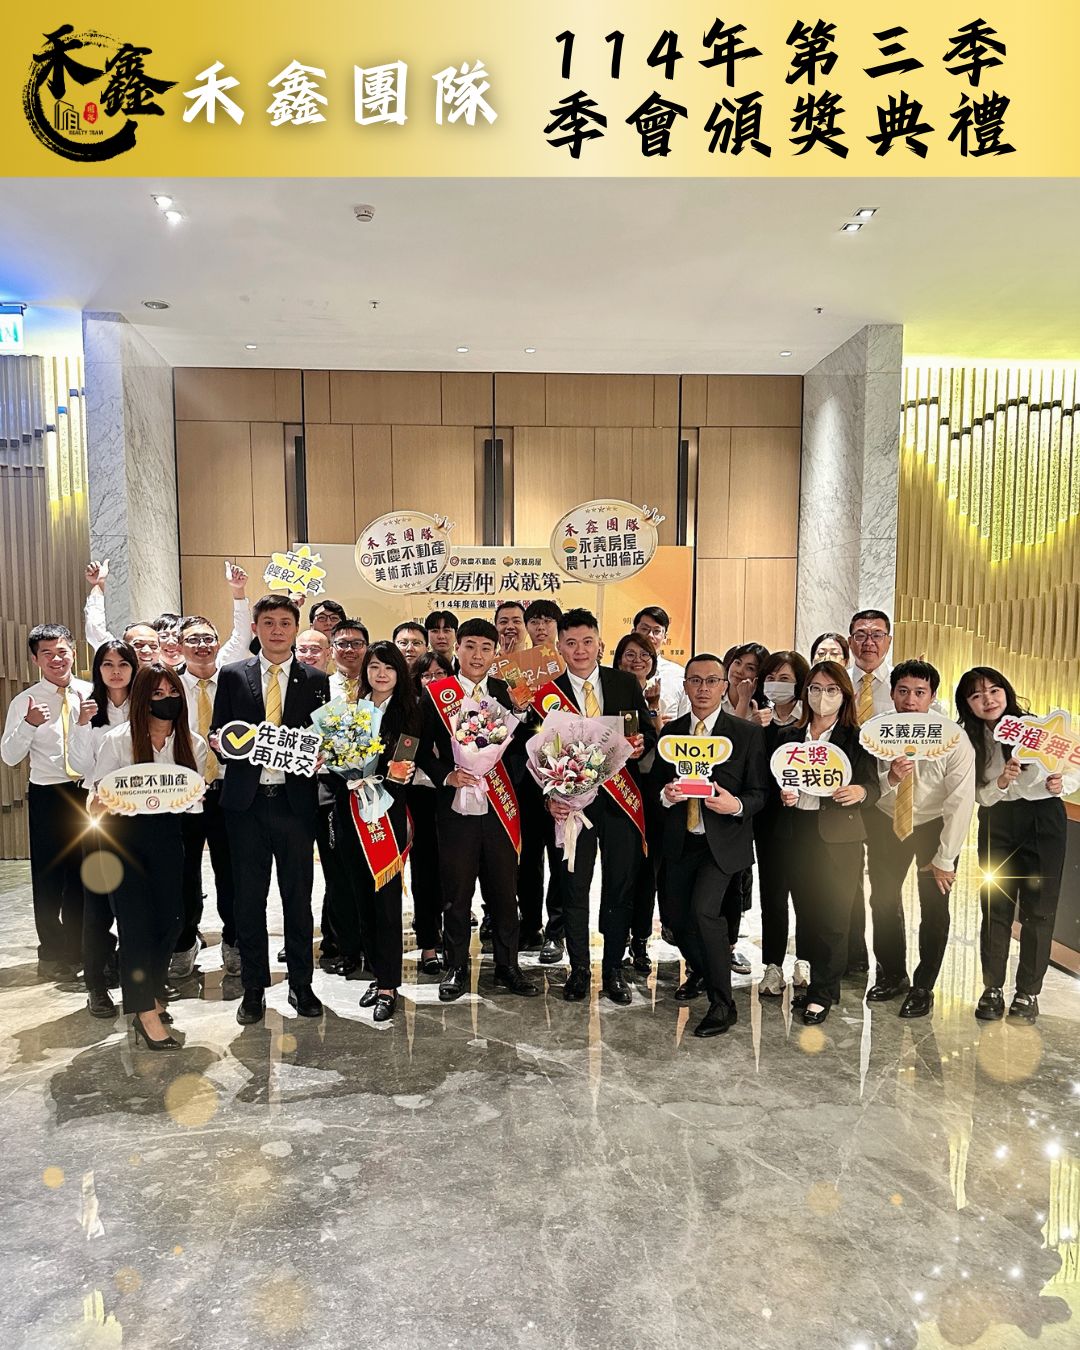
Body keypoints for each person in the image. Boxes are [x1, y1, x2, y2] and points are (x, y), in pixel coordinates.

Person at [210, 595, 331, 1025]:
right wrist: (218, 743)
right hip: (246, 805)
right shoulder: (232, 675)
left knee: (298, 898)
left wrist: (323, 754)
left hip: (295, 805)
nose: (277, 630)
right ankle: (254, 989)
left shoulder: (316, 679)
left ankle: (302, 984)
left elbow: (325, 735)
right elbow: (218, 730)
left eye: (284, 622)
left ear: (295, 629)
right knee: (248, 899)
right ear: (256, 628)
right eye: (268, 622)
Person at [417, 618, 538, 1002]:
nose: (477, 655)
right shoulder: (437, 693)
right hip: (455, 808)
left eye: (486, 648)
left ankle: (508, 966)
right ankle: (455, 966)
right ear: (457, 648)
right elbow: (420, 748)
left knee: (504, 891)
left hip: (501, 805)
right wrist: (446, 775)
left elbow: (530, 741)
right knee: (456, 891)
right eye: (469, 646)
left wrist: (521, 717)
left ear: (495, 652)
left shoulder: (509, 691)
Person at [92, 664, 207, 1049]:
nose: (166, 700)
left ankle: (152, 991)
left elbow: (193, 804)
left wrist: (195, 795)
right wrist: (102, 800)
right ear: (142, 699)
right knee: (135, 925)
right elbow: (96, 799)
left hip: (169, 836)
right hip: (122, 838)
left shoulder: (192, 743)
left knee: (172, 920)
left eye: (172, 693)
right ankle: (144, 1011)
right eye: (157, 694)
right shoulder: (117, 741)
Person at [544, 608, 655, 1005]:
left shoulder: (624, 683)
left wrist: (642, 744)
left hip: (620, 805)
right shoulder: (548, 693)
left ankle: (613, 970)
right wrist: (548, 797)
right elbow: (535, 754)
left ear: (600, 644)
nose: (580, 650)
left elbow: (647, 732)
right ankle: (578, 969)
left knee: (620, 887)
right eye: (571, 643)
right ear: (560, 647)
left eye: (587, 642)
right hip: (573, 807)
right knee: (573, 888)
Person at [655, 654, 768, 1038]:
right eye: (695, 680)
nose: (703, 688)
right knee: (675, 920)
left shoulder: (746, 734)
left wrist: (735, 805)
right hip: (680, 840)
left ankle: (724, 1004)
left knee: (705, 913)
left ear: (724, 686)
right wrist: (667, 795)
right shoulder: (671, 734)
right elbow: (656, 788)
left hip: (722, 845)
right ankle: (703, 970)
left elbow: (759, 793)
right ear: (685, 686)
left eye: (712, 681)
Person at [956, 667, 1075, 1024]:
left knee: (1040, 908)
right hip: (998, 822)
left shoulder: (1037, 728)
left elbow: (1074, 763)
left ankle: (1028, 993)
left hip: (1044, 818)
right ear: (967, 704)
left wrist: (1063, 783)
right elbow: (979, 796)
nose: (987, 699)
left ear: (1006, 692)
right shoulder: (968, 741)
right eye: (976, 695)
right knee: (996, 906)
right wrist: (1002, 782)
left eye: (994, 690)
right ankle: (992, 988)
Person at [864, 661, 975, 1018]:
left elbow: (960, 800)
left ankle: (924, 985)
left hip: (933, 825)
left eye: (919, 692)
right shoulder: (876, 732)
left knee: (935, 907)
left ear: (932, 696)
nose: (910, 700)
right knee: (882, 900)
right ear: (892, 693)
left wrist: (946, 856)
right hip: (887, 821)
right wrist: (892, 777)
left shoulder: (953, 738)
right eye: (903, 691)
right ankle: (893, 973)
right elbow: (867, 783)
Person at [774, 661, 880, 1026]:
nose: (823, 696)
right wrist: (784, 795)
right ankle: (815, 980)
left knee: (834, 914)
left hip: (840, 837)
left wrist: (859, 792)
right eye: (816, 689)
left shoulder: (856, 738)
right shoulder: (788, 736)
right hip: (797, 832)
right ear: (806, 693)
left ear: (844, 695)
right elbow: (774, 779)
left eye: (832, 689)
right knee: (807, 911)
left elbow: (873, 787)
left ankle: (823, 992)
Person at [2, 625, 99, 993]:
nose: (57, 659)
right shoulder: (25, 701)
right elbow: (9, 756)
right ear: (35, 659)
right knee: (48, 878)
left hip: (86, 793)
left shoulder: (91, 693)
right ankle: (52, 954)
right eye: (47, 653)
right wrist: (29, 725)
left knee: (85, 874)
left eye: (62, 651)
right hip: (48, 794)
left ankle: (80, 949)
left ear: (74, 652)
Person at [330, 641, 419, 1021]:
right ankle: (376, 972)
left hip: (386, 814)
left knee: (385, 903)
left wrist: (378, 780)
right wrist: (339, 770)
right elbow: (335, 763)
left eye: (389, 667)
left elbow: (403, 766)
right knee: (361, 899)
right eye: (374, 667)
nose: (381, 674)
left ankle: (389, 985)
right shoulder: (350, 711)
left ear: (400, 673)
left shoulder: (409, 711)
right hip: (350, 813)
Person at [173, 614, 242, 979]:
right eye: (193, 639)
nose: (201, 646)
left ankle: (234, 940)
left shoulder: (235, 681)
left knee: (230, 871)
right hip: (181, 792)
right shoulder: (168, 685)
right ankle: (185, 941)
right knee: (183, 872)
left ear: (218, 643)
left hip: (227, 789)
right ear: (179, 645)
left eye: (208, 638)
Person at [751, 650, 811, 998]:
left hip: (805, 818)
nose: (777, 685)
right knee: (772, 894)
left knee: (806, 892)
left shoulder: (811, 721)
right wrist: (754, 728)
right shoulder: (759, 720)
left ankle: (805, 961)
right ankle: (772, 965)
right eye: (771, 678)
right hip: (768, 819)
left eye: (785, 679)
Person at [319, 619, 372, 974]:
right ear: (332, 649)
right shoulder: (318, 687)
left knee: (372, 871)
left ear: (367, 647)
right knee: (338, 874)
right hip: (331, 788)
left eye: (357, 643)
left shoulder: (378, 683)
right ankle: (347, 948)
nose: (350, 650)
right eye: (342, 643)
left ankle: (374, 946)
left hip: (375, 788)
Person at [844, 609, 895, 976]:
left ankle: (890, 967)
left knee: (884, 888)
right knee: (844, 882)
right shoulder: (837, 686)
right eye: (860, 634)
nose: (869, 642)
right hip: (843, 797)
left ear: (888, 641)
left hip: (887, 799)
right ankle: (852, 957)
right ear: (850, 641)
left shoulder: (900, 688)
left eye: (877, 634)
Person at [84, 559, 252, 667]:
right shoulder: (140, 665)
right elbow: (96, 633)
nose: (171, 642)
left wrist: (238, 591)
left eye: (177, 637)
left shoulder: (207, 664)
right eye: (164, 636)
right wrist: (98, 585)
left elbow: (241, 639)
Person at [613, 632, 665, 972]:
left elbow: (658, 740)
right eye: (630, 654)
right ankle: (615, 941)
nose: (637, 660)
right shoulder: (609, 691)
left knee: (646, 871)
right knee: (619, 872)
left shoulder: (662, 694)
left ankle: (641, 939)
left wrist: (653, 712)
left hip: (650, 795)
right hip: (613, 789)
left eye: (644, 655)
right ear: (618, 659)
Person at [517, 599, 567, 957]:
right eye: (533, 621)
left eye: (547, 621)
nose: (540, 627)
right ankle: (530, 925)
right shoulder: (515, 669)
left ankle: (556, 931)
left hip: (567, 777)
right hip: (526, 779)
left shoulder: (570, 670)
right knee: (528, 858)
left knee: (561, 856)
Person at [410, 652, 454, 973]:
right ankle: (428, 944)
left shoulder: (463, 709)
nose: (433, 680)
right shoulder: (410, 710)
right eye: (427, 675)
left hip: (454, 795)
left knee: (453, 873)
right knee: (424, 873)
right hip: (419, 797)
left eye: (440, 674)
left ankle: (453, 942)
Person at [633, 607, 686, 720]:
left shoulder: (679, 675)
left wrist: (673, 726)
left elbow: (686, 718)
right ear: (633, 632)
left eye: (656, 631)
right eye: (644, 629)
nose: (650, 635)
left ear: (665, 637)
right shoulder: (620, 669)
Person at [88, 639, 137, 734]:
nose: (116, 671)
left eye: (123, 664)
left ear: (133, 668)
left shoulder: (146, 706)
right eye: (108, 664)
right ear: (98, 669)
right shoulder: (88, 708)